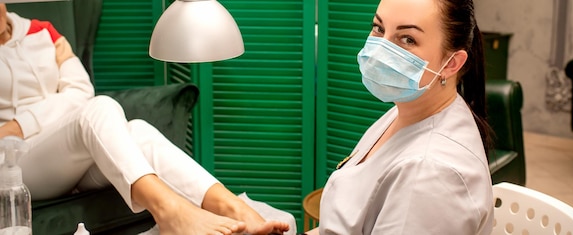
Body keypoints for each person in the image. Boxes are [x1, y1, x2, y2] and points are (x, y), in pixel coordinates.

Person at [0, 3, 290, 235]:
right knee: (99, 109)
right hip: (12, 164)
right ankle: (171, 213)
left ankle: (231, 207)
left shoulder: (42, 32)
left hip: (67, 148)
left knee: (136, 130)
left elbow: (80, 92)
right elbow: (79, 101)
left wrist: (19, 124)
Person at [307, 0, 494, 234]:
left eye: (407, 39)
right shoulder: (406, 111)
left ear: (451, 63)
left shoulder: (430, 173)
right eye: (379, 28)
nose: (379, 51)